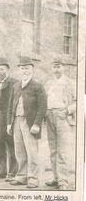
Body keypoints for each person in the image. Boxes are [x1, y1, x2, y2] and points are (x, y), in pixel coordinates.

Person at [7, 56, 47, 189]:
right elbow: (10, 106)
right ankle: (21, 176)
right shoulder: (16, 86)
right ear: (19, 70)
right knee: (19, 151)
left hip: (30, 123)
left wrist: (36, 124)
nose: (24, 71)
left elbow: (42, 107)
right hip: (17, 121)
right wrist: (9, 123)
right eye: (22, 68)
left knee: (32, 151)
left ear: (32, 70)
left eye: (27, 68)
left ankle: (33, 178)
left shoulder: (37, 86)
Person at [44, 57, 76, 190]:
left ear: (64, 67)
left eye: (59, 66)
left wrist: (68, 111)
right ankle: (56, 178)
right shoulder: (48, 83)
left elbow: (78, 101)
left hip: (63, 116)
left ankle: (63, 180)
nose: (56, 69)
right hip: (50, 115)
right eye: (54, 67)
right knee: (53, 149)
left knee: (62, 150)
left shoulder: (70, 83)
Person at [0, 57, 18, 181]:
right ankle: (0, 171)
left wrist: (10, 122)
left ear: (8, 70)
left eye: (2, 69)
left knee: (11, 146)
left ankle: (13, 172)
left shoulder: (14, 83)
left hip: (8, 120)